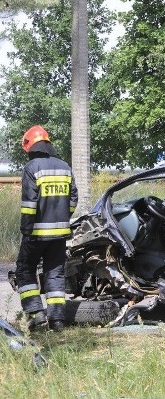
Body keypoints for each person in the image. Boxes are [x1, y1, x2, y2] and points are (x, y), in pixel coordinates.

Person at [14, 125, 77, 332]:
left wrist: (26, 229)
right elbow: (73, 199)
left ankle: (36, 317)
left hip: (36, 234)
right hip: (59, 234)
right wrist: (62, 218)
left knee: (25, 271)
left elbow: (29, 204)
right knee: (55, 274)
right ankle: (57, 321)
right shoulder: (65, 167)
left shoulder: (32, 168)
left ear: (30, 147)